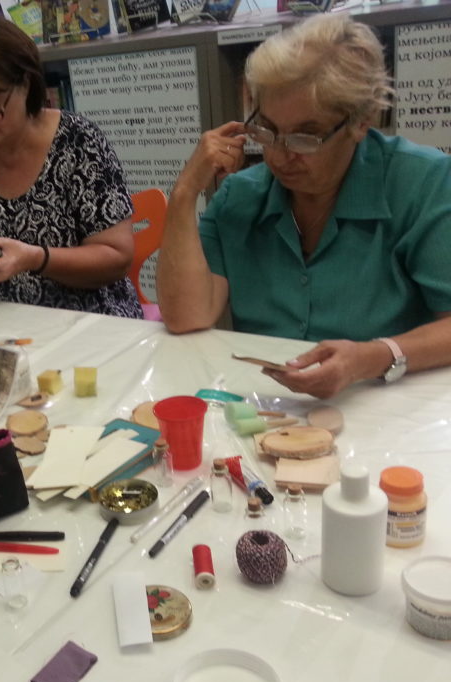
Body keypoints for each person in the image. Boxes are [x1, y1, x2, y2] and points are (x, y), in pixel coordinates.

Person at [156, 15, 451, 399]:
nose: (279, 156)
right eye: (266, 129)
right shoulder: (241, 195)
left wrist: (374, 356)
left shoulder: (422, 183)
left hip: (387, 401)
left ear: (361, 122)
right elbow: (186, 317)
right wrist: (184, 193)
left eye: (305, 137)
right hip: (267, 406)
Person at [0, 15, 142, 318]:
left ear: (25, 84)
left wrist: (36, 259)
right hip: (1, 324)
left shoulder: (78, 143)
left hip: (88, 320)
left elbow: (117, 258)